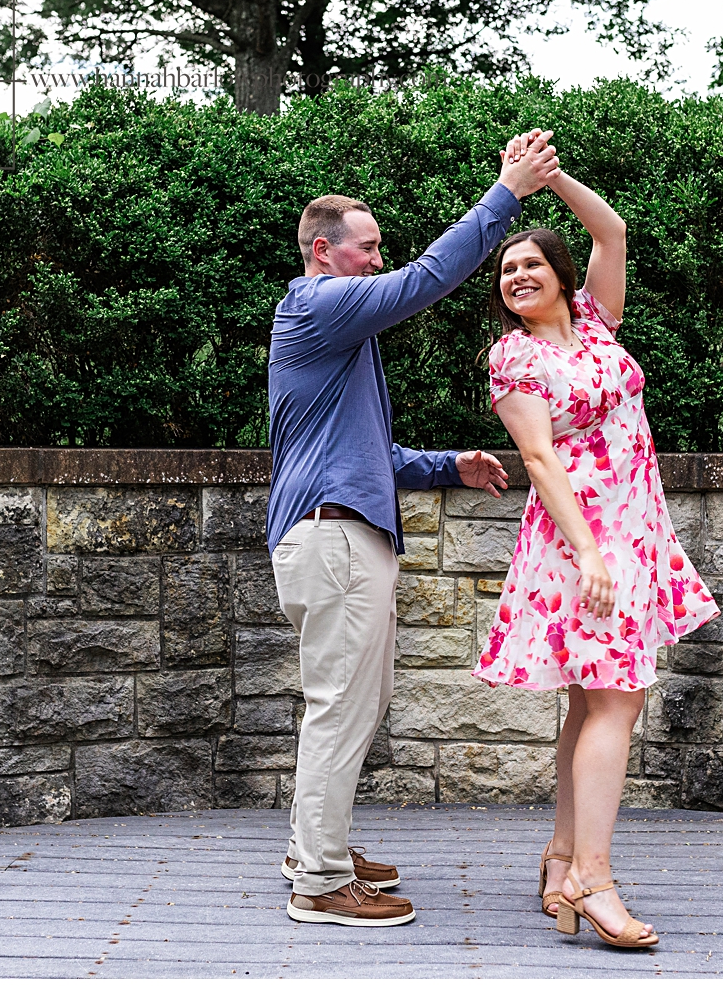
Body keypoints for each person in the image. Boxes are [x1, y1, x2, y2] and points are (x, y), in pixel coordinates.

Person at [267, 130, 562, 928]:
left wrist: (444, 465)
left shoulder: (333, 336)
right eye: (366, 249)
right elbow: (427, 278)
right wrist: (508, 192)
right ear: (323, 252)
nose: (377, 261)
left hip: (336, 532)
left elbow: (366, 452)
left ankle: (312, 848)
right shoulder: (317, 303)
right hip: (333, 541)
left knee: (351, 702)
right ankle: (322, 883)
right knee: (341, 706)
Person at [475, 144, 720, 948]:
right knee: (616, 698)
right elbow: (540, 459)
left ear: (556, 272)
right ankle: (593, 875)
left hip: (636, 528)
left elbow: (612, 232)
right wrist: (588, 553)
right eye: (505, 270)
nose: (516, 276)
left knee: (592, 700)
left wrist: (549, 181)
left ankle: (560, 856)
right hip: (584, 540)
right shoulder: (514, 357)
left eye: (529, 262)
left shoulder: (598, 322)